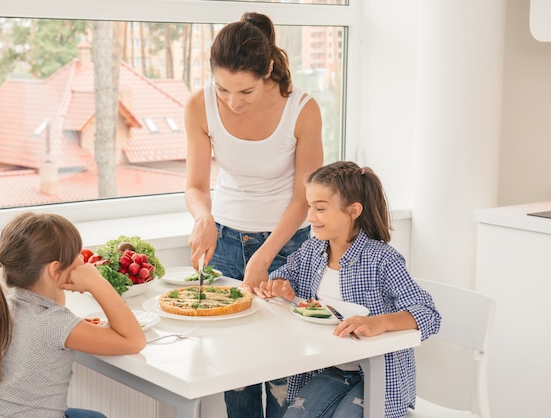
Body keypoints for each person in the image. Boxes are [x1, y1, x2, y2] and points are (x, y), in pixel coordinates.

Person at [184, 11, 323, 418]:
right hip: (224, 240)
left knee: (283, 368)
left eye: (244, 91)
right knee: (237, 369)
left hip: (287, 244)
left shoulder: (302, 109)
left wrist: (265, 255)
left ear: (266, 71)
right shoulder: (200, 105)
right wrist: (202, 218)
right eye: (222, 88)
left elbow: (305, 196)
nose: (233, 101)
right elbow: (195, 185)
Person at [255, 161, 442, 418]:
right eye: (309, 207)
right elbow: (287, 273)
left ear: (353, 210)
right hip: (329, 370)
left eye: (320, 208)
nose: (310, 217)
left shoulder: (382, 260)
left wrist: (379, 323)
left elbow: (429, 314)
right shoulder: (312, 250)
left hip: (379, 375)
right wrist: (279, 284)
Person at [0, 212, 146, 418]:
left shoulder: (7, 305)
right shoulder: (53, 322)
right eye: (76, 256)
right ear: (55, 269)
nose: (82, 260)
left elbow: (48, 328)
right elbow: (134, 340)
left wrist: (76, 323)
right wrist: (97, 283)